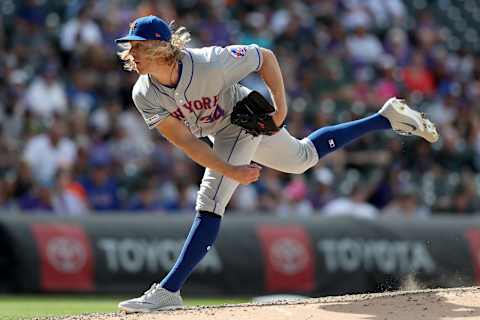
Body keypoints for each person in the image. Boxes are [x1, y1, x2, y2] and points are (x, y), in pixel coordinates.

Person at [114, 15, 438, 313]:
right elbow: (185, 142)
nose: (132, 53)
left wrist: (281, 110)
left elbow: (264, 57)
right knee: (303, 159)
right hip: (219, 131)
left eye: (139, 46)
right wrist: (231, 169)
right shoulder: (144, 93)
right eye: (131, 47)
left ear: (161, 48)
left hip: (243, 118)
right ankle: (385, 118)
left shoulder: (208, 63)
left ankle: (169, 290)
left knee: (211, 200)